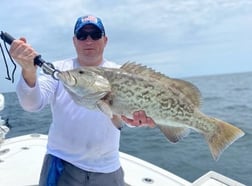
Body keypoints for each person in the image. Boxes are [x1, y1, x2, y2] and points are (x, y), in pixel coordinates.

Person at [10, 15, 155, 186]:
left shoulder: (120, 73)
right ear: (74, 41)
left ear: (105, 40)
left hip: (108, 167)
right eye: (82, 35)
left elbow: (123, 118)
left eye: (95, 34)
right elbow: (32, 104)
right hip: (62, 164)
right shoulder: (59, 71)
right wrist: (28, 71)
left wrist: (138, 121)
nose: (89, 40)